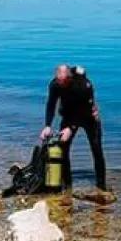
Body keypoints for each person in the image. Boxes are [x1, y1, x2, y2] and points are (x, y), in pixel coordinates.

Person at [41, 64, 108, 192]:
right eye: (59, 82)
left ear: (70, 78)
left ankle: (101, 186)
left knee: (96, 149)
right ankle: (67, 186)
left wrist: (71, 128)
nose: (62, 85)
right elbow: (51, 104)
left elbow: (85, 110)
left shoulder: (83, 85)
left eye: (64, 82)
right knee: (63, 148)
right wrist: (48, 125)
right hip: (68, 115)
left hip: (88, 116)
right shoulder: (55, 84)